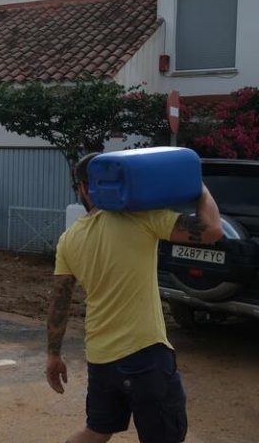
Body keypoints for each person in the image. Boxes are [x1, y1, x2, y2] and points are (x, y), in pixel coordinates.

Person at [46, 152, 223, 443]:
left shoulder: (69, 239)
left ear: (82, 189)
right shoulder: (141, 217)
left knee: (97, 431)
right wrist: (197, 186)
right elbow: (212, 230)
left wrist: (53, 354)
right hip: (145, 354)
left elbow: (59, 302)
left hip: (100, 356)